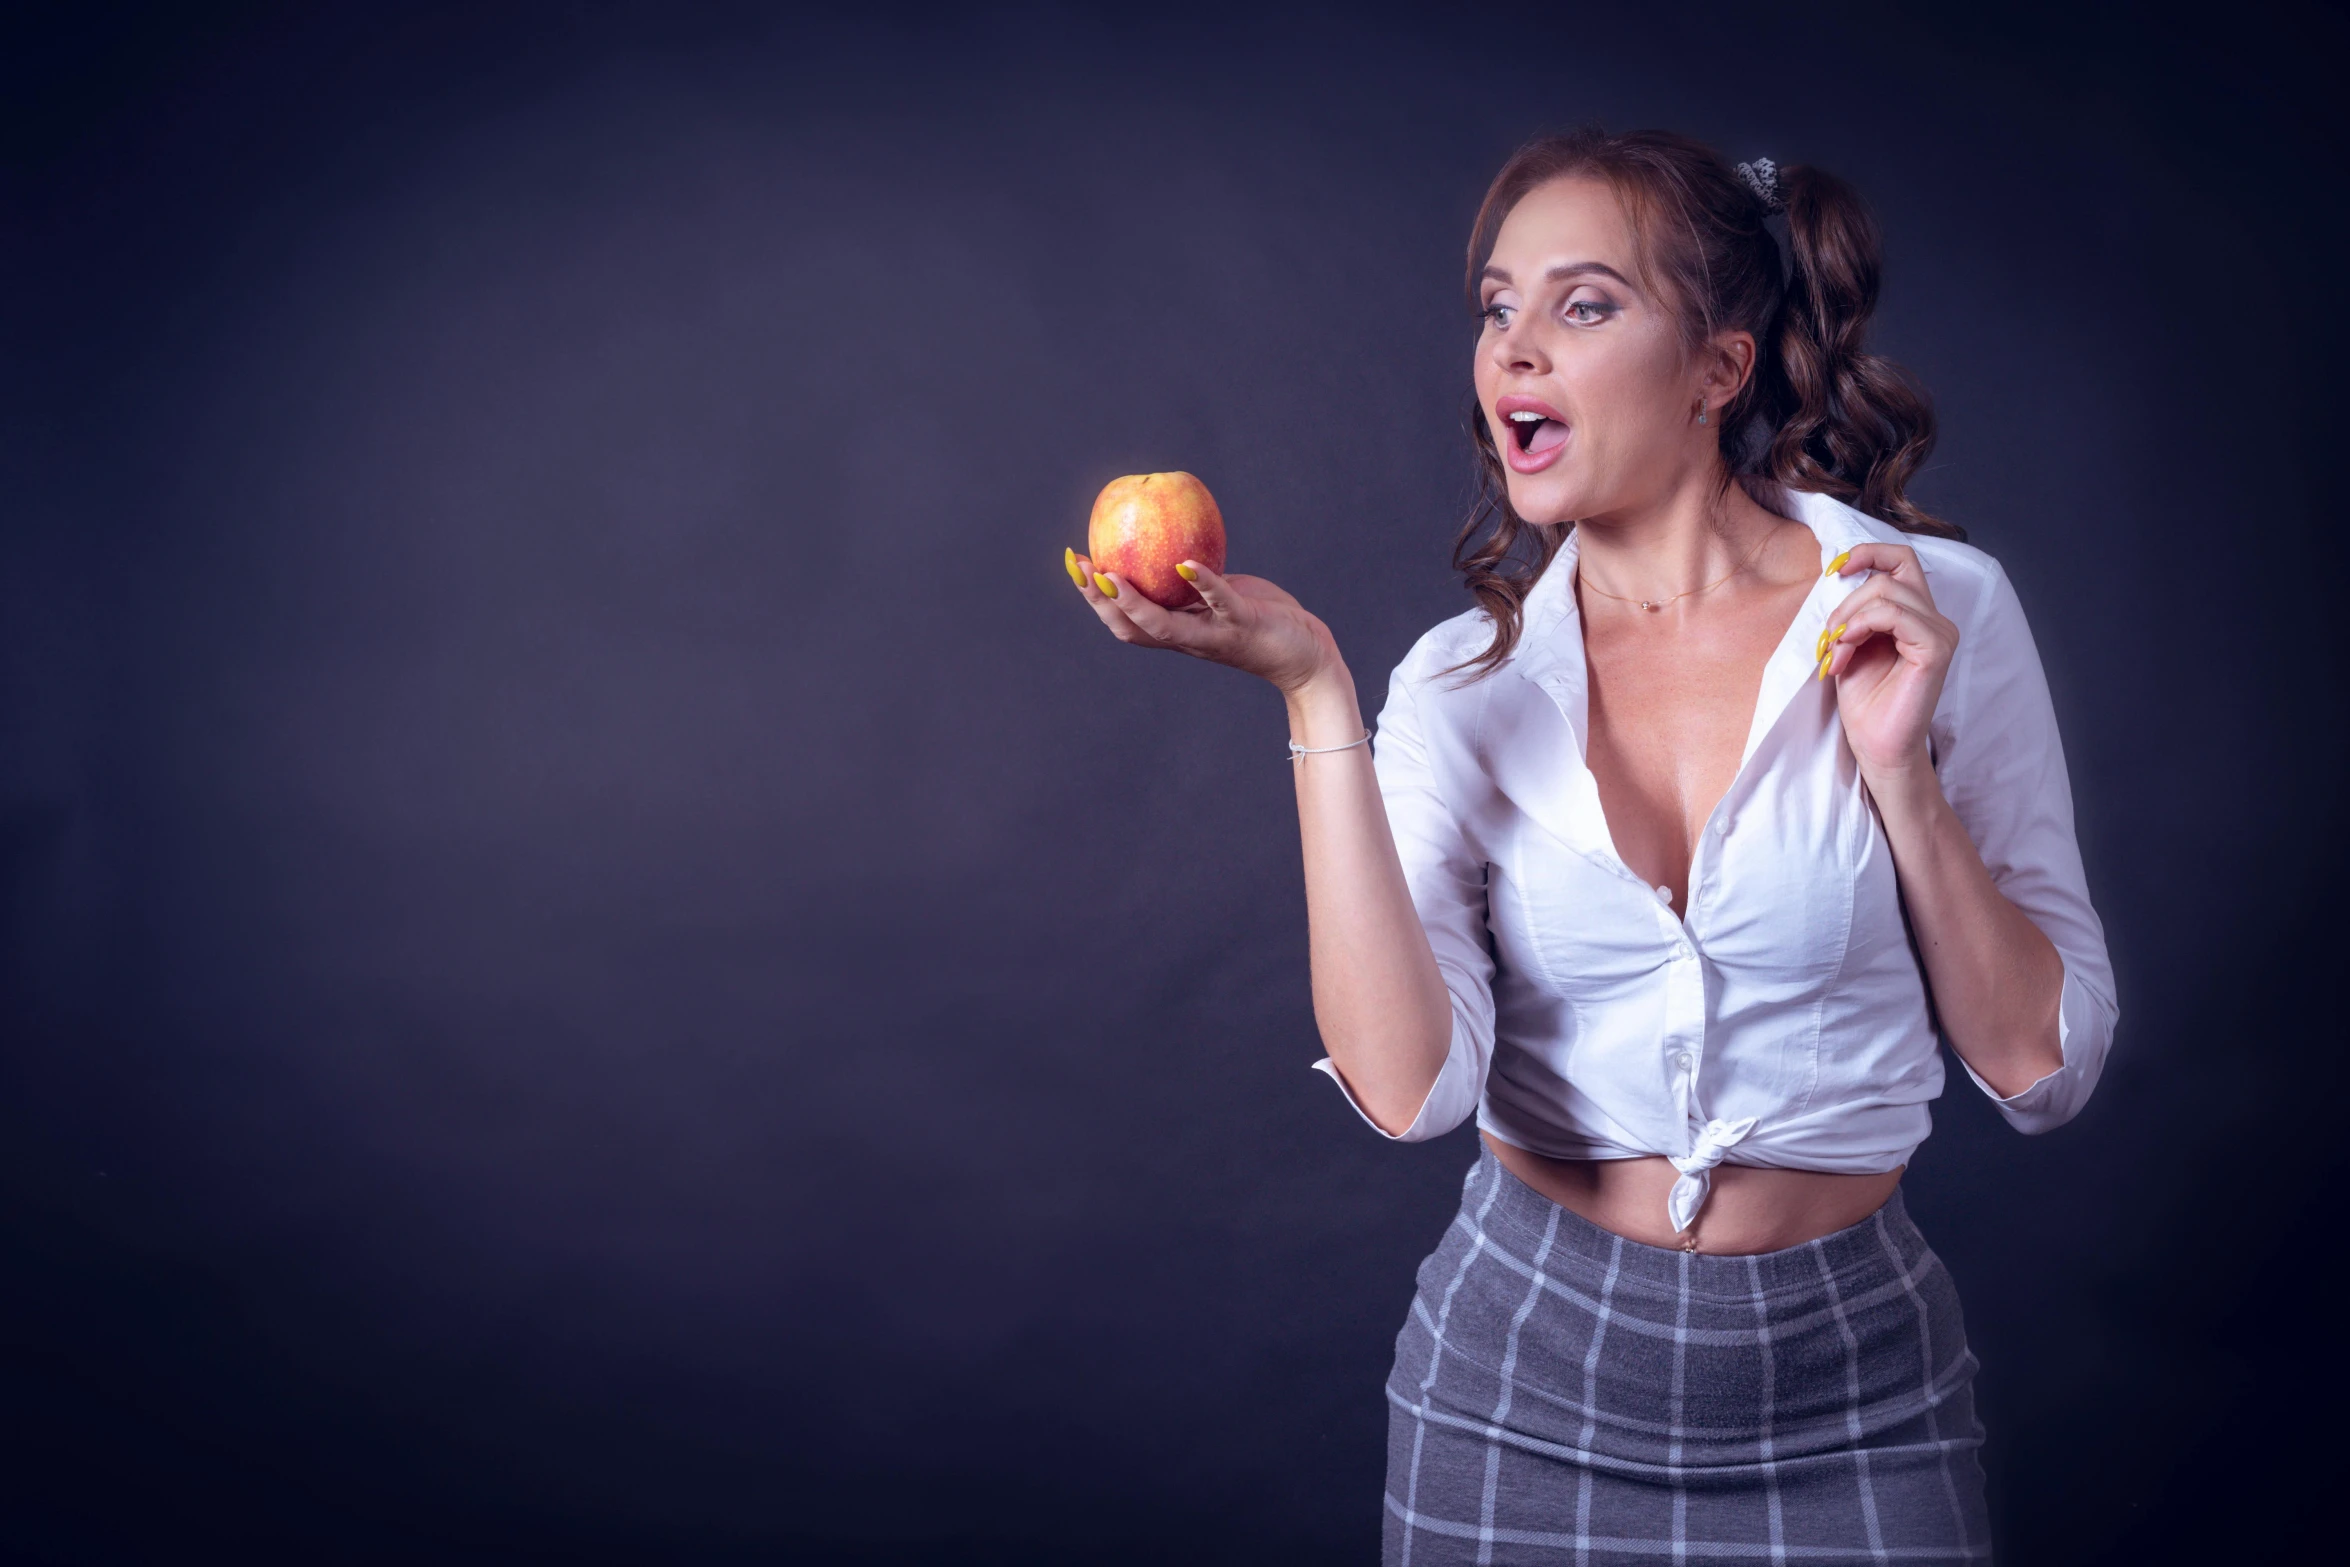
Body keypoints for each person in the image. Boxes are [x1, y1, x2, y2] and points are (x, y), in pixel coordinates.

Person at [1063, 128, 2113, 1565]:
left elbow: (2043, 1068)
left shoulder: (1934, 612)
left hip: (1854, 1387)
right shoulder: (1454, 683)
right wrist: (1315, 688)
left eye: (1583, 304)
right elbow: (1406, 1087)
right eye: (1498, 308)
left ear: (1717, 369)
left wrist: (1897, 781)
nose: (1514, 352)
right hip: (1518, 1385)